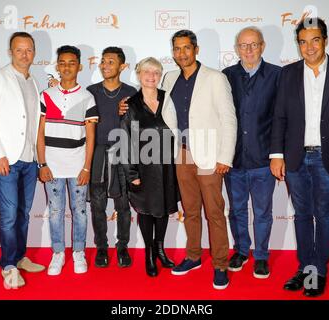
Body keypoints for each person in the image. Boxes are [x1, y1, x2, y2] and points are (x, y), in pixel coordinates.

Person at [119, 30, 237, 289]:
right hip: (179, 155)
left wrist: (225, 156)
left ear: (196, 49)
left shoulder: (215, 78)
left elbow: (229, 119)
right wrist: (125, 105)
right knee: (191, 211)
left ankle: (219, 264)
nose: (182, 53)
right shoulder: (169, 79)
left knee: (215, 213)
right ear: (173, 52)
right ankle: (193, 256)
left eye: (186, 48)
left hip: (209, 155)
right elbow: (147, 102)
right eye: (177, 49)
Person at [270, 17, 329, 297]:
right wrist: (277, 154)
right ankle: (304, 267)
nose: (309, 47)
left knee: (323, 214)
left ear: (325, 40)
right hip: (296, 157)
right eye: (302, 41)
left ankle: (317, 271)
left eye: (315, 40)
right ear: (297, 44)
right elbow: (280, 117)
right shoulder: (287, 74)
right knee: (301, 214)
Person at [0, 32, 45, 288]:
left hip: (28, 159)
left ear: (34, 52)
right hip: (6, 158)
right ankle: (7, 265)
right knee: (8, 215)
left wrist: (39, 159)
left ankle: (19, 257)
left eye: (29, 50)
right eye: (19, 50)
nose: (24, 54)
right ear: (10, 51)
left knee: (23, 214)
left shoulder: (33, 82)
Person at [222, 27, 281, 279]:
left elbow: (283, 118)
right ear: (236, 48)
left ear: (263, 46)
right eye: (243, 45)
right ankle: (241, 251)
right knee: (236, 211)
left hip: (263, 160)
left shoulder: (278, 76)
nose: (248, 50)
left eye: (253, 45)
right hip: (233, 159)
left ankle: (262, 256)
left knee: (262, 212)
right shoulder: (226, 76)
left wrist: (279, 155)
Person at [37, 45, 99, 276]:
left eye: (71, 62)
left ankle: (79, 252)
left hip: (77, 166)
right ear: (57, 66)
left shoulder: (87, 98)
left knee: (80, 210)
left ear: (80, 66)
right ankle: (58, 253)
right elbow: (39, 133)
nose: (66, 67)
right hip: (51, 166)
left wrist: (86, 167)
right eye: (62, 62)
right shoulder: (46, 95)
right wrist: (42, 164)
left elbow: (91, 137)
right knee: (55, 211)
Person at [120, 57, 179, 277]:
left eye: (156, 72)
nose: (152, 76)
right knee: (146, 211)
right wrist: (132, 173)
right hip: (143, 169)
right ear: (139, 74)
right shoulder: (131, 104)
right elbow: (124, 141)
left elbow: (176, 129)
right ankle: (148, 255)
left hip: (166, 167)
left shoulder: (167, 98)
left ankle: (160, 249)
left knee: (162, 210)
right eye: (147, 72)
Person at [87, 47, 136, 268]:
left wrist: (127, 115)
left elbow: (138, 130)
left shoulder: (132, 92)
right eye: (103, 61)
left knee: (123, 204)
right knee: (97, 205)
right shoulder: (90, 91)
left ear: (122, 66)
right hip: (97, 153)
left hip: (122, 154)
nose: (105, 65)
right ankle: (101, 248)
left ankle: (123, 247)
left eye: (111, 62)